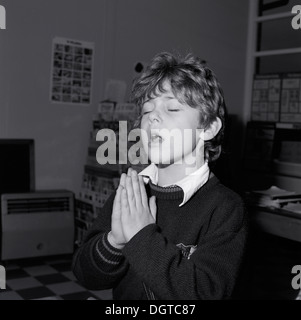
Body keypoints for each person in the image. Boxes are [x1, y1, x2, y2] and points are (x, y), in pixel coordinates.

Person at [72, 51, 248, 300]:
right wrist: (115, 241)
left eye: (172, 108)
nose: (152, 116)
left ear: (208, 128)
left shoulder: (225, 208)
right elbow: (85, 274)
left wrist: (141, 236)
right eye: (146, 110)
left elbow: (206, 294)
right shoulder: (131, 191)